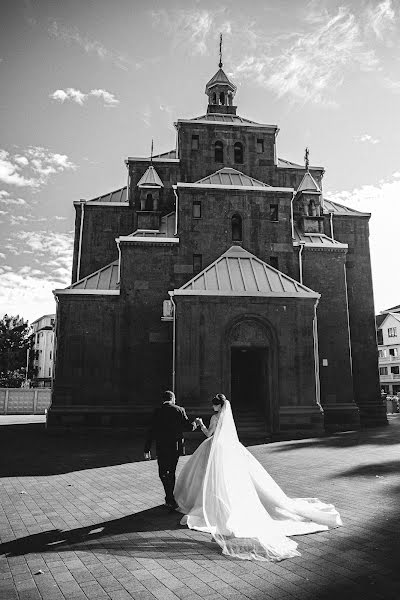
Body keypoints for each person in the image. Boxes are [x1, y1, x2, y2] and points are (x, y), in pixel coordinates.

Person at [174, 394, 343, 562]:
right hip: (228, 449)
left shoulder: (214, 418)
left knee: (209, 476)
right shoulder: (227, 418)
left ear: (218, 406)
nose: (212, 407)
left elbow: (208, 434)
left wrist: (201, 424)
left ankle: (211, 501)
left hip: (214, 448)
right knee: (227, 477)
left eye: (214, 405)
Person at [144, 390, 196, 509]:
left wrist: (147, 449)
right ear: (172, 399)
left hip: (161, 447)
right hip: (175, 447)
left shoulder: (157, 411)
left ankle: (169, 497)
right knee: (171, 472)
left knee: (162, 472)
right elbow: (188, 427)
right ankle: (170, 498)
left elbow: (150, 432)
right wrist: (195, 423)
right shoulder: (179, 410)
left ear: (163, 399)